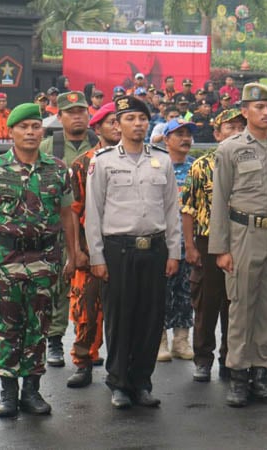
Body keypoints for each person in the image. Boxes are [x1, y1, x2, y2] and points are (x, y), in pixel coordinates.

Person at [0, 103, 76, 417]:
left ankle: (32, 391)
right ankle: (8, 392)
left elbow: (68, 216)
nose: (30, 132)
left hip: (45, 257)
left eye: (35, 126)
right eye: (24, 127)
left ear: (42, 131)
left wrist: (74, 254)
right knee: (8, 325)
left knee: (38, 324)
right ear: (11, 131)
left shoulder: (56, 168)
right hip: (7, 258)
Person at [84, 95, 182, 409]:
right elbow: (93, 212)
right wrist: (97, 257)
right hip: (118, 250)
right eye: (130, 119)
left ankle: (142, 382)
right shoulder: (103, 161)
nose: (137, 124)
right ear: (118, 124)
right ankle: (119, 384)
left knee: (150, 319)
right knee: (119, 318)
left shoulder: (162, 160)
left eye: (142, 118)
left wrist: (174, 252)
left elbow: (171, 211)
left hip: (154, 248)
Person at [208, 83, 267, 407]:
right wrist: (221, 248)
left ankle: (261, 376)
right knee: (242, 307)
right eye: (258, 107)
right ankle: (238, 376)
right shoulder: (230, 149)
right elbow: (219, 201)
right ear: (244, 112)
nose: (266, 113)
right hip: (243, 235)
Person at [183, 108, 246, 383]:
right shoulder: (202, 165)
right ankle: (203, 359)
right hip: (208, 241)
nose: (235, 132)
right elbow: (188, 208)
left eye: (240, 127)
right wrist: (190, 246)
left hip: (243, 240)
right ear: (218, 134)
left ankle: (230, 359)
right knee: (207, 305)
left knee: (236, 306)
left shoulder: (250, 163)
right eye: (229, 128)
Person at [39, 91, 98, 368]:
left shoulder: (100, 145)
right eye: (70, 112)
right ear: (59, 116)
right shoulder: (49, 148)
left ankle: (86, 343)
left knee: (90, 290)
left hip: (91, 231)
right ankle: (54, 340)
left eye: (81, 111)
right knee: (58, 285)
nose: (77, 116)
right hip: (56, 228)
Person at [65, 102, 121, 388]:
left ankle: (121, 370)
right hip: (90, 247)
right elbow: (73, 210)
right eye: (111, 121)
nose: (118, 126)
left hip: (125, 248)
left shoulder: (139, 159)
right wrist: (76, 250)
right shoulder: (84, 163)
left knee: (124, 313)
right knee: (86, 308)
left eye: (120, 121)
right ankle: (84, 361)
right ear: (97, 128)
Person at [156, 118, 197, 363]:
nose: (185, 139)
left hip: (189, 245)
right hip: (163, 245)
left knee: (186, 294)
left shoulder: (196, 168)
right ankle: (159, 342)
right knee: (160, 294)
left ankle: (182, 341)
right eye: (179, 134)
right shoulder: (157, 166)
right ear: (166, 139)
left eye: (188, 134)